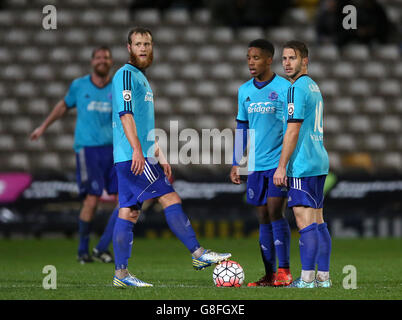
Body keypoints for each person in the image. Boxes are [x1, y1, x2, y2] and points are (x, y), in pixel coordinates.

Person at [111, 27, 231, 287]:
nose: (144, 48)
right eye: (138, 43)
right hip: (133, 157)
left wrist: (160, 155)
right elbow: (126, 115)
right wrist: (137, 150)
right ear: (128, 48)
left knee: (128, 212)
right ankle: (198, 254)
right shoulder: (125, 76)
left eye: (148, 43)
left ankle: (121, 275)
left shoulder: (141, 78)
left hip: (138, 155)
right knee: (170, 197)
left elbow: (145, 125)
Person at [30, 46, 118, 264]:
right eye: (98, 57)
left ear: (111, 62)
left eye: (105, 58)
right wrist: (43, 127)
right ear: (92, 62)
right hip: (88, 150)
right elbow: (63, 107)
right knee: (92, 199)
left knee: (125, 201)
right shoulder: (79, 86)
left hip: (115, 151)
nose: (102, 61)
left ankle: (101, 247)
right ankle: (82, 251)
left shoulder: (117, 87)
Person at [230, 39, 292, 287]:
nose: (251, 62)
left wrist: (285, 164)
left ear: (269, 59)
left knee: (276, 212)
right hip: (255, 165)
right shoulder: (244, 90)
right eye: (248, 57)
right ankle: (268, 274)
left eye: (256, 57)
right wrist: (236, 161)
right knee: (263, 217)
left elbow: (292, 127)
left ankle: (284, 271)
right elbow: (242, 126)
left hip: (277, 164)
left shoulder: (285, 88)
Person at [273, 40, 332, 288]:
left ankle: (307, 279)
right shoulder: (314, 86)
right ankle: (323, 278)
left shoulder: (296, 89)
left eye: (292, 58)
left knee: (303, 220)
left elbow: (293, 130)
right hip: (319, 161)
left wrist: (282, 165)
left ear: (304, 61)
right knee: (318, 220)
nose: (286, 63)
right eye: (284, 58)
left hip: (303, 163)